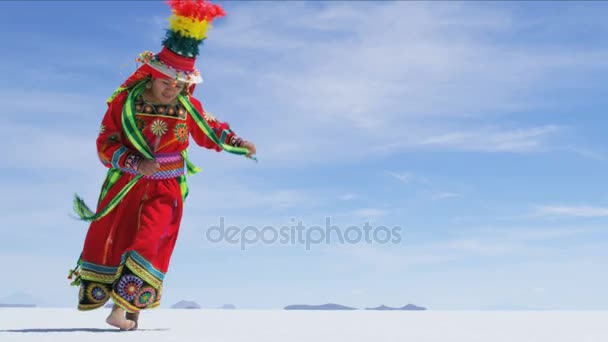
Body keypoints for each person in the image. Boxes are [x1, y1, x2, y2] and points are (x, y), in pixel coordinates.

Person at [67, 0, 256, 331]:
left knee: (151, 240)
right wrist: (135, 162)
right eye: (167, 81)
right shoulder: (126, 104)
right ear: (153, 75)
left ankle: (124, 309)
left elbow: (210, 129)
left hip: (167, 187)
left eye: (180, 83)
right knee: (117, 240)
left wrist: (236, 143)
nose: (173, 88)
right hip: (127, 182)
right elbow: (105, 143)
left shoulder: (187, 107)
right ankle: (126, 311)